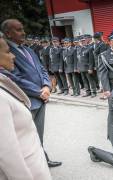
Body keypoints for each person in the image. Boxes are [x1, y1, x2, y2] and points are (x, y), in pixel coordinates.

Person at [1, 19, 62, 167]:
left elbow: (41, 69)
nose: (23, 32)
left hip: (41, 98)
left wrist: (47, 86)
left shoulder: (27, 49)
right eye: (18, 30)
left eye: (23, 29)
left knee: (38, 133)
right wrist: (38, 92)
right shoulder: (6, 52)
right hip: (27, 100)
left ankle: (41, 159)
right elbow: (14, 77)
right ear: (8, 33)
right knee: (27, 136)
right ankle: (33, 164)